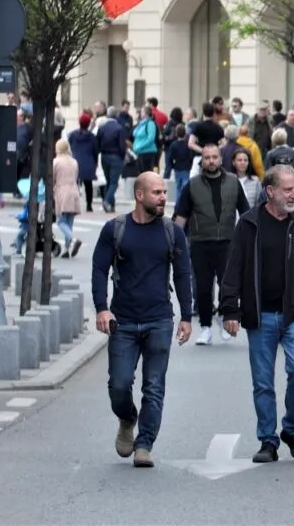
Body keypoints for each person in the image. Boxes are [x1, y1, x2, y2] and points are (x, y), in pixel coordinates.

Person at [220, 165, 294, 463]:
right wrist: (230, 308)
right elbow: (233, 270)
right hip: (260, 315)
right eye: (288, 189)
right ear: (270, 191)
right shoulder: (249, 224)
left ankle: (292, 429)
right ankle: (268, 440)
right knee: (263, 382)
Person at [91, 172, 194, 468]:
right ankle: (127, 417)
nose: (164, 198)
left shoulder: (172, 232)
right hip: (122, 321)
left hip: (159, 320)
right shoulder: (115, 229)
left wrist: (186, 316)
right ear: (140, 195)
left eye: (164, 192)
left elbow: (183, 274)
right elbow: (99, 269)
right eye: (157, 193)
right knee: (119, 385)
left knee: (154, 386)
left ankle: (145, 444)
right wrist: (101, 308)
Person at [174, 144, 250, 346]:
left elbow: (246, 213)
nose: (211, 161)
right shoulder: (193, 185)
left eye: (214, 157)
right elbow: (181, 216)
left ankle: (225, 318)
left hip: (227, 242)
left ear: (221, 159)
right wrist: (172, 243)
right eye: (207, 158)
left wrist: (251, 238)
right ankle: (206, 327)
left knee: (228, 285)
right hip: (200, 242)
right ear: (202, 161)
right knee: (203, 287)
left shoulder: (233, 183)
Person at [52, 139, 84, 258]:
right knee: (69, 222)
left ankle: (73, 239)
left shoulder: (56, 162)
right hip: (74, 190)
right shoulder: (74, 161)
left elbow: (53, 178)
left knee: (61, 221)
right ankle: (66, 249)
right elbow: (76, 176)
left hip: (62, 191)